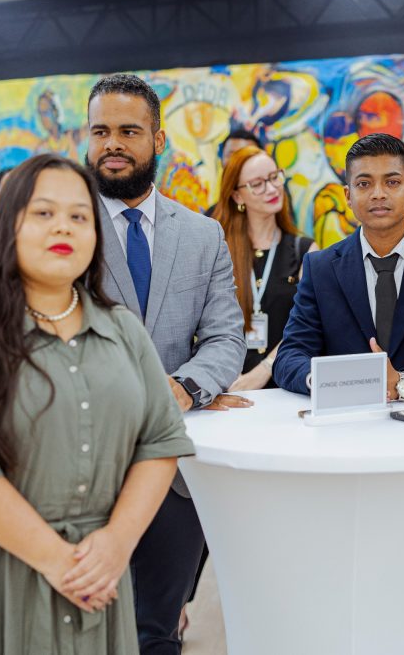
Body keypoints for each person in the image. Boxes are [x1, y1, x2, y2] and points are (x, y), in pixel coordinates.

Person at [0, 154, 194, 654]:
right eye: (43, 212)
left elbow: (161, 440)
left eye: (79, 216)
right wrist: (56, 560)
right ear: (8, 225)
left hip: (97, 570)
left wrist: (116, 544)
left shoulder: (124, 330)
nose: (63, 226)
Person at [86, 73, 248, 654]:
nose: (112, 143)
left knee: (157, 631)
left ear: (157, 139)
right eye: (100, 131)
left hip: (172, 469)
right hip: (81, 462)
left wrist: (183, 388)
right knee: (79, 625)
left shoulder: (202, 235)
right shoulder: (65, 228)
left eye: (128, 131)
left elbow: (226, 337)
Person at [273, 133, 404, 402]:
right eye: (364, 184)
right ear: (348, 196)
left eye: (392, 182)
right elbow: (290, 356)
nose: (378, 194)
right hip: (345, 417)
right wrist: (326, 381)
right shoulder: (320, 268)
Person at [214, 145, 317, 390]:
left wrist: (264, 369)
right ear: (237, 196)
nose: (271, 189)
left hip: (286, 386)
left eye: (274, 177)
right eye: (257, 184)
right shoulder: (219, 250)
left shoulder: (305, 251)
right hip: (229, 386)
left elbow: (309, 326)